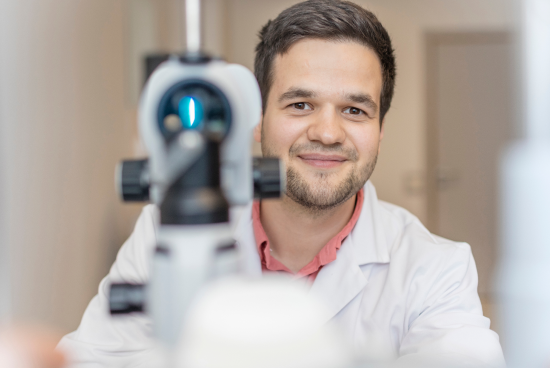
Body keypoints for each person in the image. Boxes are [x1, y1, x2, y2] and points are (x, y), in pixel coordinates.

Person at [58, 0, 505, 366]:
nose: (328, 133)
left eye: (355, 110)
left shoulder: (434, 269)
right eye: (301, 104)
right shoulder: (170, 230)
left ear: (380, 131)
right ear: (257, 119)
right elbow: (90, 356)